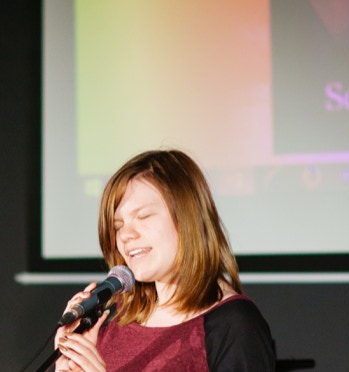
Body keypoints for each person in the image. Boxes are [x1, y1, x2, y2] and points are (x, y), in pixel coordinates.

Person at [54, 149, 275, 371]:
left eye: (143, 216)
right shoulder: (112, 319)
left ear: (187, 218)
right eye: (118, 226)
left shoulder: (234, 326)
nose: (126, 235)